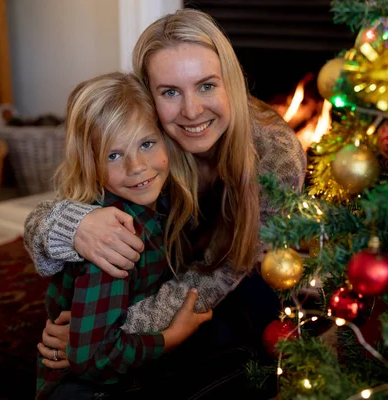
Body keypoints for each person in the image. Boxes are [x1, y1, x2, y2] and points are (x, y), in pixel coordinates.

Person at [27, 8, 306, 398]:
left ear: (232, 82)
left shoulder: (275, 153)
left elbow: (224, 274)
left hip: (234, 283)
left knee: (242, 336)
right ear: (148, 97)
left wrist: (100, 332)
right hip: (160, 277)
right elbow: (46, 223)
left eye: (207, 85)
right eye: (170, 92)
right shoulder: (146, 138)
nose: (191, 111)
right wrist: (75, 224)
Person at [36, 72, 214, 400]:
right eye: (114, 155)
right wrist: (172, 336)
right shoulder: (114, 238)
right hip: (89, 386)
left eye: (146, 144)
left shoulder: (162, 199)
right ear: (90, 163)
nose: (137, 166)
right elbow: (92, 358)